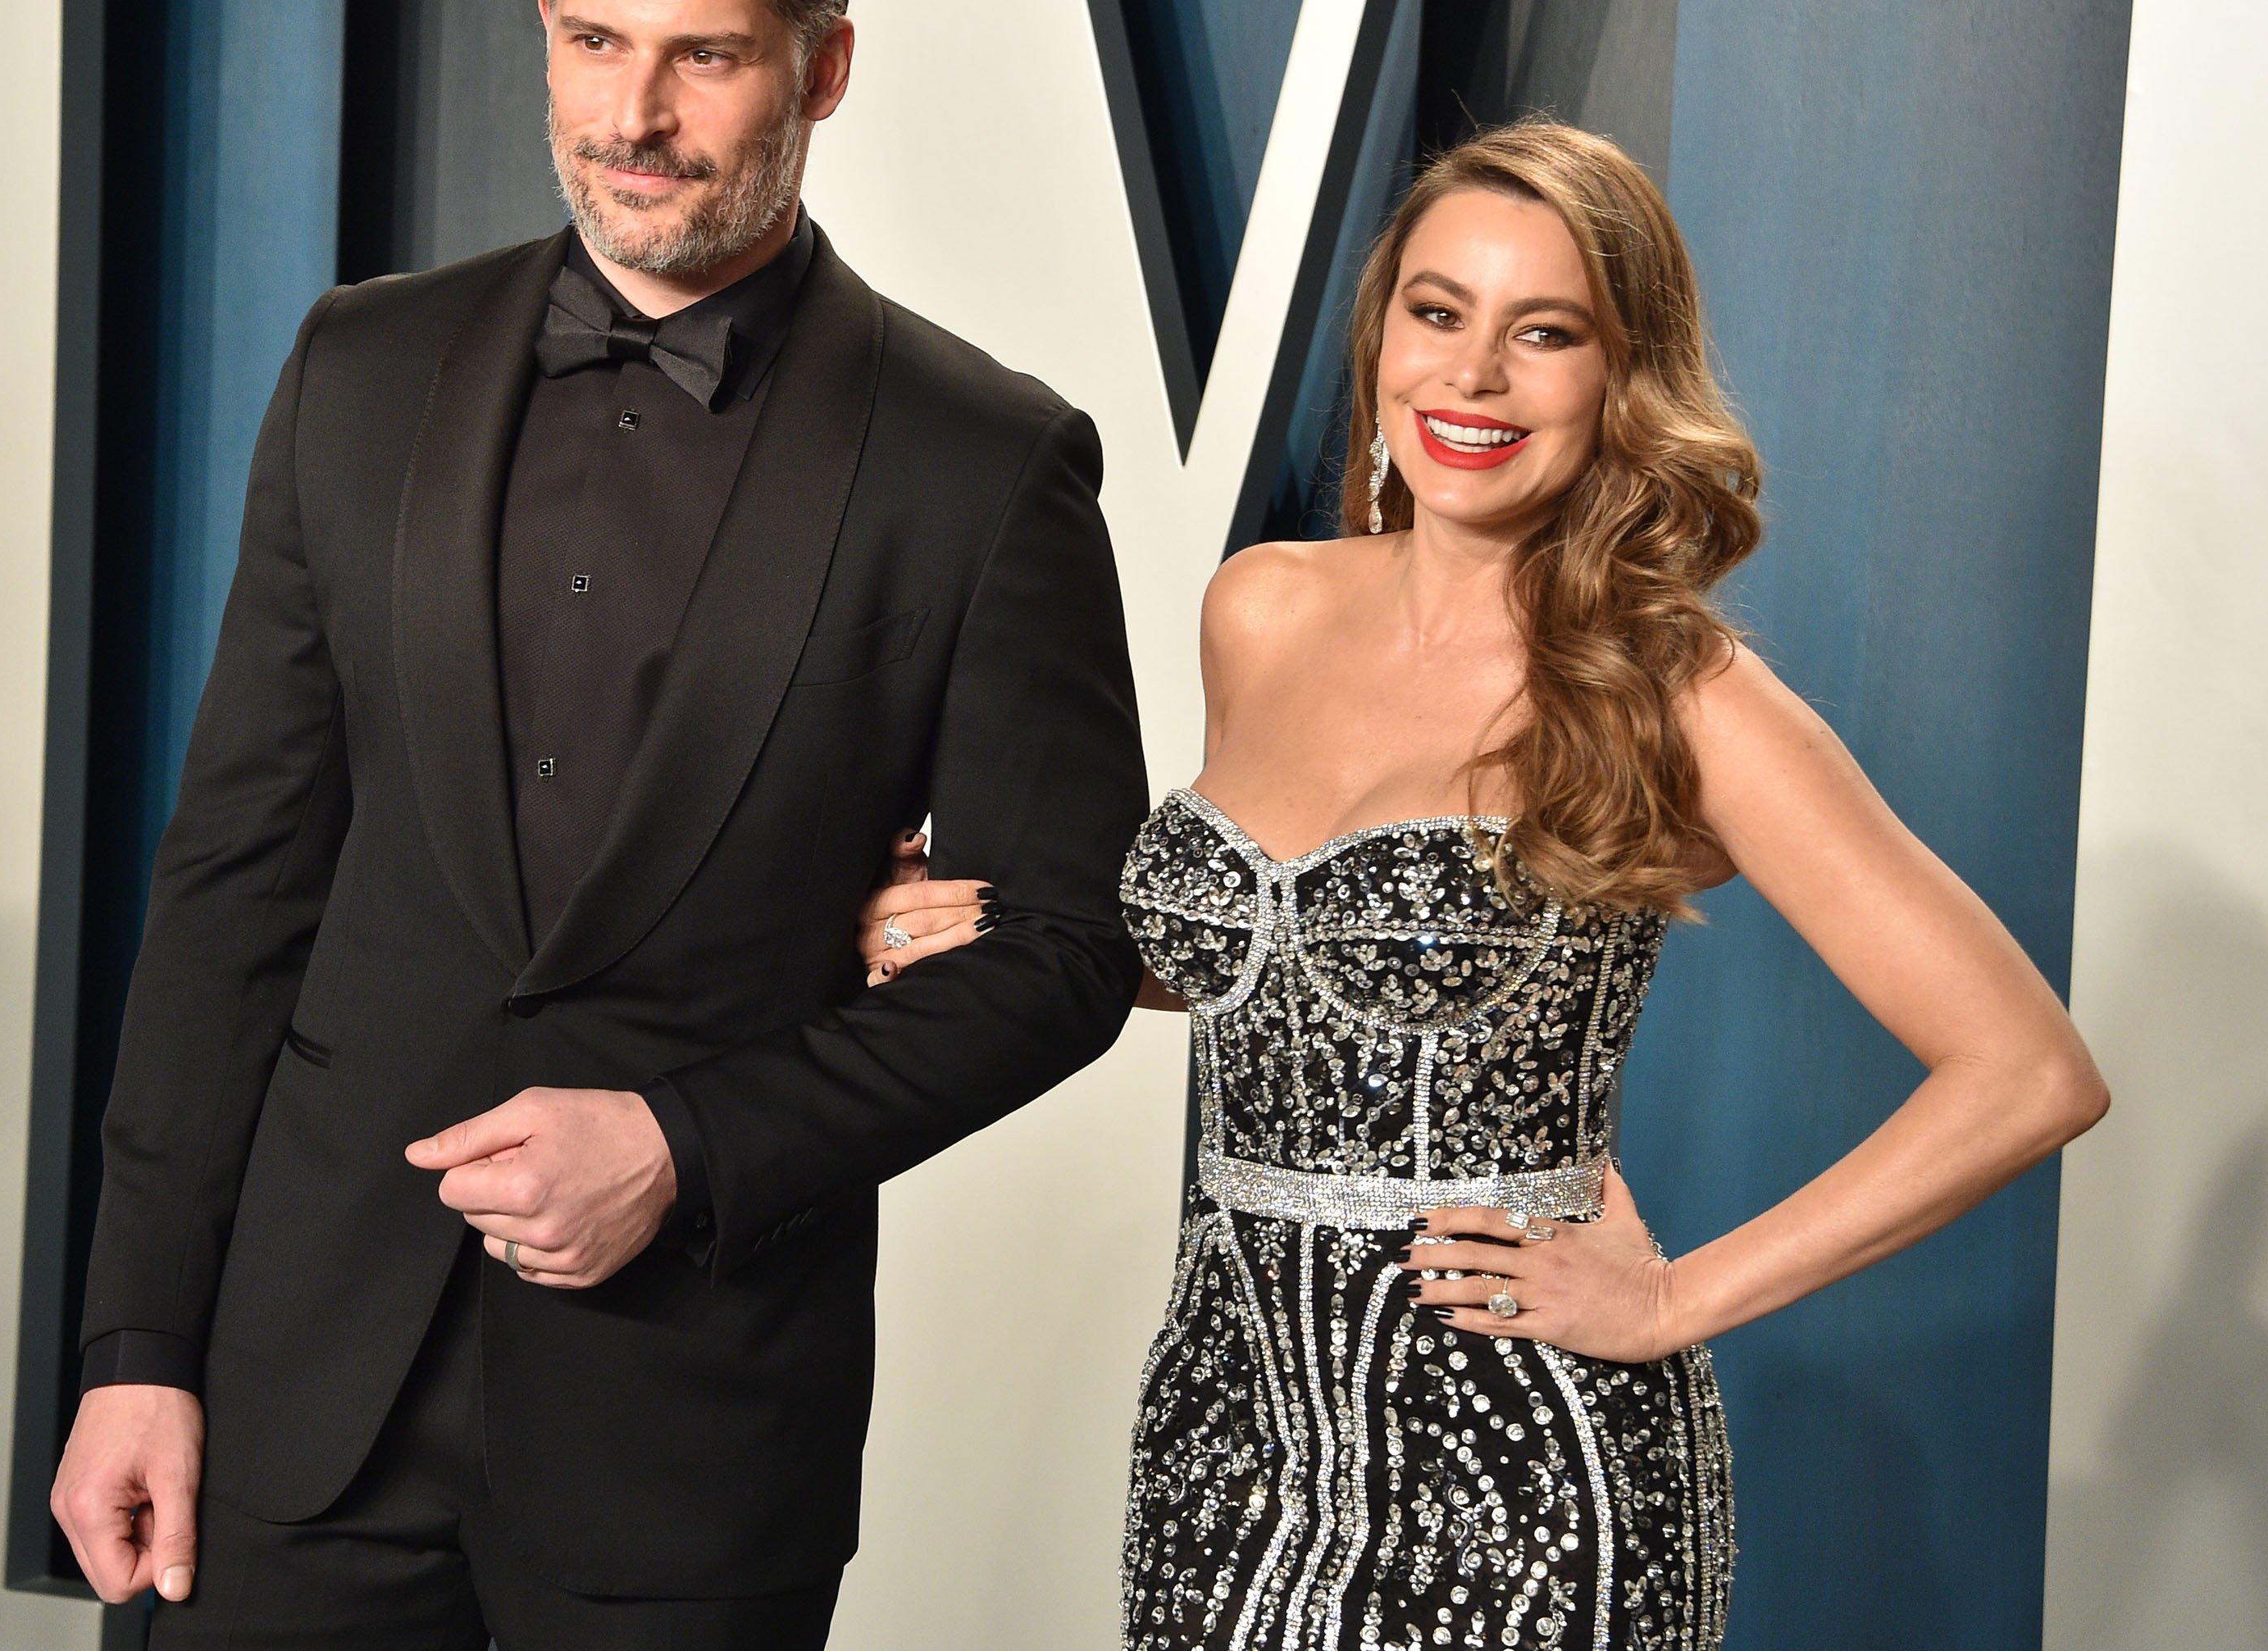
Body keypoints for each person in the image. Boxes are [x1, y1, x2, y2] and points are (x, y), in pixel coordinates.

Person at [51, 0, 1149, 1649]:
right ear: (545, 26)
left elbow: (1064, 951)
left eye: (705, 56)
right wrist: (139, 1339)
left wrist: (685, 1145)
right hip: (295, 1391)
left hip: (692, 1435)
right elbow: (238, 887)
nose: (632, 120)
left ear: (826, 66)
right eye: (594, 41)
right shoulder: (359, 370)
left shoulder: (983, 464)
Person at [860, 120, 2110, 1648]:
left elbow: (2027, 1070)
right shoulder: (1263, 606)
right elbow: (1262, 954)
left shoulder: (1674, 690)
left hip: (1522, 1448)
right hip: (1227, 1424)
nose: (1473, 378)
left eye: (1547, 333)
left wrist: (1668, 1301)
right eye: (1439, 312)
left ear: (1621, 376)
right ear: (1383, 329)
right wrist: (983, 925)